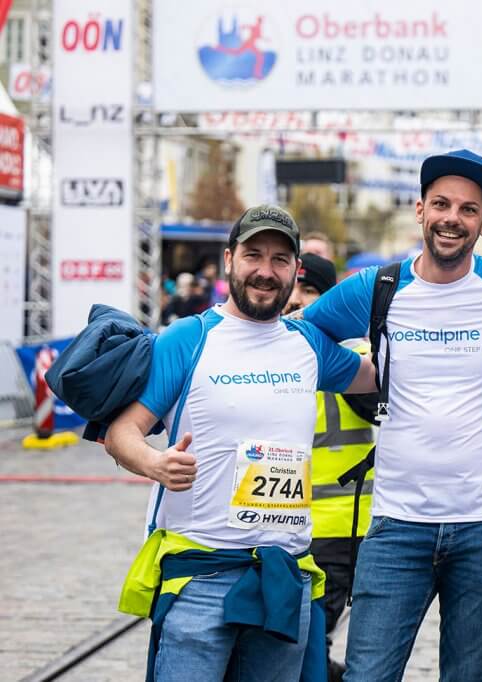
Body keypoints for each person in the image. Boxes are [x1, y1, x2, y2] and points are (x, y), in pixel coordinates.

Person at [294, 149, 482, 680]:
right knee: (368, 674)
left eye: (467, 209)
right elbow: (300, 332)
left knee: (467, 676)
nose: (451, 218)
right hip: (396, 528)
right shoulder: (379, 289)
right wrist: (358, 373)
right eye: (441, 203)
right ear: (419, 210)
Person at [105, 205, 377, 682]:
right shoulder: (190, 337)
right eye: (254, 255)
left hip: (283, 577)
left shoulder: (306, 342)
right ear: (230, 259)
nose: (265, 272)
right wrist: (154, 462)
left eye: (279, 260)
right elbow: (121, 432)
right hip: (201, 577)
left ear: (296, 269)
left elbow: (378, 377)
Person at [287, 252, 380, 681]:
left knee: (307, 644)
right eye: (293, 288)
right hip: (276, 526)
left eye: (309, 292)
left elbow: (376, 401)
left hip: (337, 528)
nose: (296, 301)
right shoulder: (267, 353)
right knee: (294, 643)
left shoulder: (351, 354)